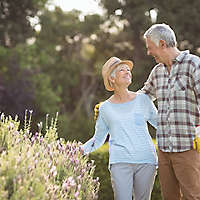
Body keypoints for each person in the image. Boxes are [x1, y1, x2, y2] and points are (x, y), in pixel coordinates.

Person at [82, 56, 158, 200]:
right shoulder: (104, 108)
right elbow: (98, 139)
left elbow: (161, 124)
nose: (127, 72)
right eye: (122, 70)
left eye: (128, 70)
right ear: (112, 79)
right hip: (120, 162)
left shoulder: (143, 100)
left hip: (146, 161)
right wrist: (79, 150)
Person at [142, 23, 200, 200]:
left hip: (189, 147)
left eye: (150, 48)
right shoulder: (157, 71)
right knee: (169, 197)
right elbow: (142, 97)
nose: (149, 52)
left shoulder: (193, 65)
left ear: (162, 44)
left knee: (193, 196)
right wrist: (114, 103)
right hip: (164, 148)